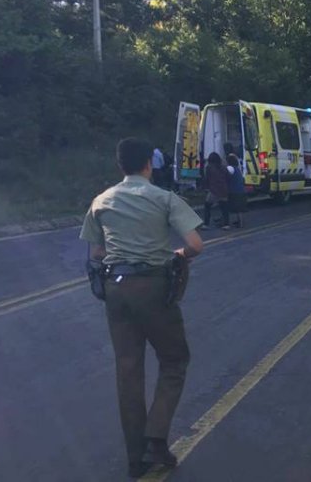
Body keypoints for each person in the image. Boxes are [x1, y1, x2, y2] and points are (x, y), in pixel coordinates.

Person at [80, 138, 203, 478]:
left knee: (128, 369)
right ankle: (156, 437)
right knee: (175, 360)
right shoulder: (164, 198)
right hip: (153, 287)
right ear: (149, 164)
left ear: (120, 165)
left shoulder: (101, 200)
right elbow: (194, 244)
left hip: (115, 290)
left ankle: (137, 458)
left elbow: (96, 255)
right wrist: (177, 256)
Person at [202, 152, 230, 230]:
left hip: (214, 190)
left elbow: (207, 179)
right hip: (224, 190)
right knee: (224, 207)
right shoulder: (223, 167)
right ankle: (226, 224)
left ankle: (206, 224)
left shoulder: (209, 168)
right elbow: (228, 177)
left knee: (207, 206)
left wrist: (206, 188)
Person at [226, 154, 247, 228]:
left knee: (227, 206)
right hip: (241, 190)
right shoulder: (238, 169)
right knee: (239, 209)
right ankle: (240, 222)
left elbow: (225, 175)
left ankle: (226, 222)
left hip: (234, 190)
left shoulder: (230, 168)